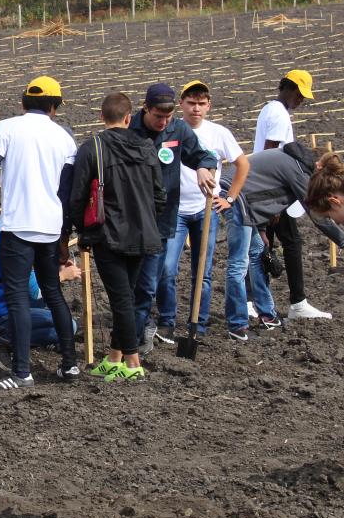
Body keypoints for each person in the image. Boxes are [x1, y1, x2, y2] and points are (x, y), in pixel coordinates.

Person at [0, 76, 80, 389]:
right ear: (55, 107)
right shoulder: (64, 138)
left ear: (22, 103)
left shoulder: (7, 128)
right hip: (49, 226)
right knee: (54, 293)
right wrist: (63, 234)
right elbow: (67, 190)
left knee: (17, 297)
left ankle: (21, 372)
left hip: (16, 226)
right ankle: (69, 366)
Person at [71, 92, 165, 382]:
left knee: (121, 299)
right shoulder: (147, 147)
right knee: (129, 295)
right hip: (143, 234)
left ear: (101, 116)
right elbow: (160, 195)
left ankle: (133, 363)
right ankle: (113, 359)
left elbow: (76, 198)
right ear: (128, 117)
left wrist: (82, 232)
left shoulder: (92, 148)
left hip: (108, 235)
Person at [223, 142, 344, 334]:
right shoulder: (296, 168)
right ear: (318, 168)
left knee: (256, 251)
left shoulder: (292, 161)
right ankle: (237, 325)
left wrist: (262, 229)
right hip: (233, 196)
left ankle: (267, 315)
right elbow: (315, 212)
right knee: (239, 262)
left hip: (245, 202)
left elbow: (262, 191)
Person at [155, 81, 250, 342]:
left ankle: (199, 324)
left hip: (205, 209)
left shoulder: (219, 133)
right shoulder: (171, 130)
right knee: (167, 269)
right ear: (181, 105)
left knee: (203, 272)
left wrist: (229, 197)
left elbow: (242, 165)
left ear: (208, 106)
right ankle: (166, 321)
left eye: (201, 104)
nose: (196, 108)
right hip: (175, 211)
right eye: (191, 103)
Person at [128, 83, 217, 354]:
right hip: (130, 222)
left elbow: (204, 155)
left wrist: (203, 167)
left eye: (167, 117)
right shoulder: (129, 130)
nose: (163, 122)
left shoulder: (178, 130)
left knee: (150, 282)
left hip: (163, 221)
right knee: (131, 282)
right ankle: (132, 331)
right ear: (146, 109)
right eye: (158, 117)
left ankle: (137, 337)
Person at [253, 70, 329, 320]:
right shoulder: (278, 114)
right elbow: (270, 153)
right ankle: (297, 302)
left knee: (263, 245)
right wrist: (274, 205)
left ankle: (253, 301)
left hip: (268, 190)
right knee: (290, 243)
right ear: (288, 88)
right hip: (274, 191)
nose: (301, 100)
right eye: (299, 94)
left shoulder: (271, 109)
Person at [0, 228, 83, 367]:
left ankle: (5, 337)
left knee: (48, 311)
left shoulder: (4, 233)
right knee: (68, 326)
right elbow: (37, 291)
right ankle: (0, 343)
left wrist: (57, 267)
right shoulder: (19, 243)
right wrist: (63, 275)